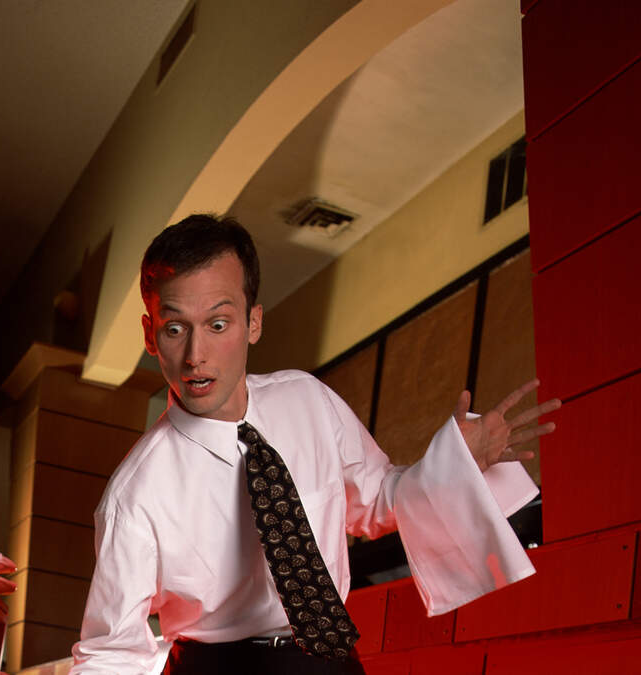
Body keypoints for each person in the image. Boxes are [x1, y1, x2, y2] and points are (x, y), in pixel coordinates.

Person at [69, 214, 560, 675]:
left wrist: (456, 464)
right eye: (175, 329)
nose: (196, 355)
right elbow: (110, 652)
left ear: (253, 323)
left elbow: (378, 498)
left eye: (218, 324)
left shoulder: (307, 400)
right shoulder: (135, 494)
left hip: (331, 660)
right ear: (150, 334)